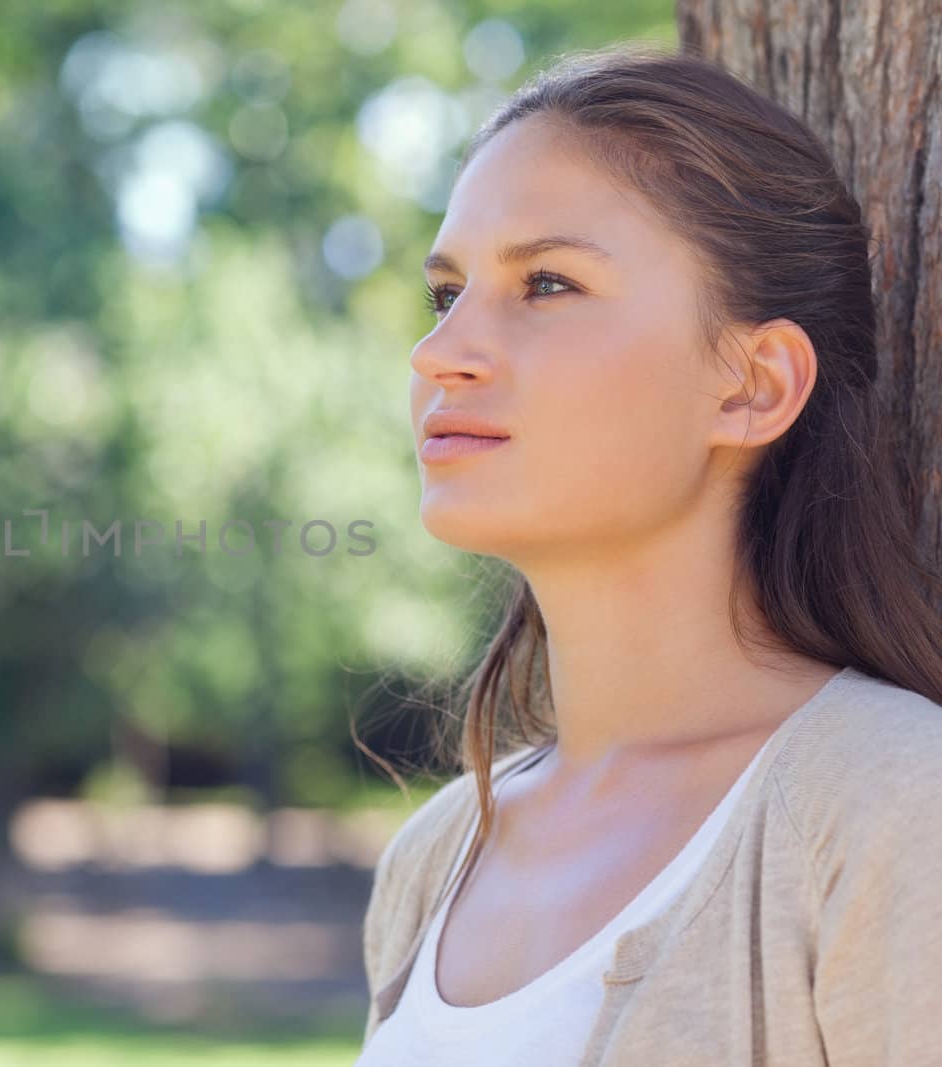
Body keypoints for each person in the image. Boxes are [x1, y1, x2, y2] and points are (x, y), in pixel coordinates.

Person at [355, 42, 942, 1066]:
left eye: (545, 282)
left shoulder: (894, 808)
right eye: (445, 294)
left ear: (751, 384)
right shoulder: (435, 856)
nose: (439, 351)